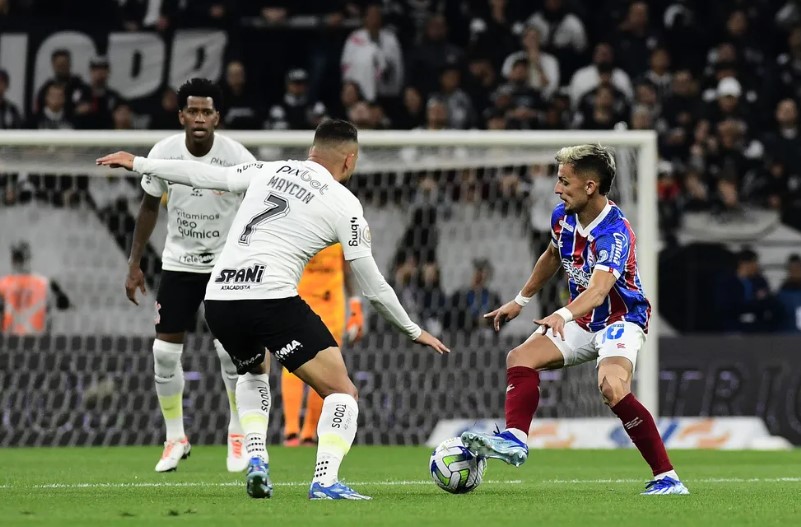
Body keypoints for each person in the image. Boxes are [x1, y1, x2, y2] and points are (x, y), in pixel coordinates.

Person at [96, 119, 448, 500]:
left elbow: (203, 175)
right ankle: (325, 481)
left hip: (220, 298)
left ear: (312, 150)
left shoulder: (269, 169)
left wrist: (141, 163)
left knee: (253, 372)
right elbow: (375, 286)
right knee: (342, 392)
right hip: (270, 297)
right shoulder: (345, 203)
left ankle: (259, 461)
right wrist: (412, 330)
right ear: (349, 160)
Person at [460, 144, 689, 496]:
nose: (557, 189)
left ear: (590, 187)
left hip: (621, 318)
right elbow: (552, 255)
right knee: (520, 357)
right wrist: (521, 300)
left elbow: (598, 292)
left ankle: (667, 477)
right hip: (583, 319)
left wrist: (561, 313)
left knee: (612, 387)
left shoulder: (614, 233)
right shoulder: (562, 217)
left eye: (564, 182)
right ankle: (515, 440)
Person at [124, 78, 256, 473]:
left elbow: (256, 207)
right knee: (163, 353)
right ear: (181, 115)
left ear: (217, 117)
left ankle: (236, 432)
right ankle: (175, 438)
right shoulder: (163, 152)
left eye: (206, 111)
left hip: (225, 266)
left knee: (228, 352)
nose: (199, 118)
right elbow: (149, 207)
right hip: (179, 264)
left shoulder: (237, 155)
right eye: (192, 111)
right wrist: (134, 263)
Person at [282, 246, 364, 447]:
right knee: (292, 360)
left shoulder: (341, 225)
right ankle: (291, 431)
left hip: (331, 306)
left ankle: (309, 433)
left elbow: (348, 268)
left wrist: (355, 306)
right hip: (298, 300)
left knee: (327, 367)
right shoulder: (294, 224)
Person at [0, 241, 70, 335]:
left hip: (11, 341)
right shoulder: (44, 283)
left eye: (18, 258)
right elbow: (64, 304)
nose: (17, 262)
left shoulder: (4, 284)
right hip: (35, 340)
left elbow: (63, 304)